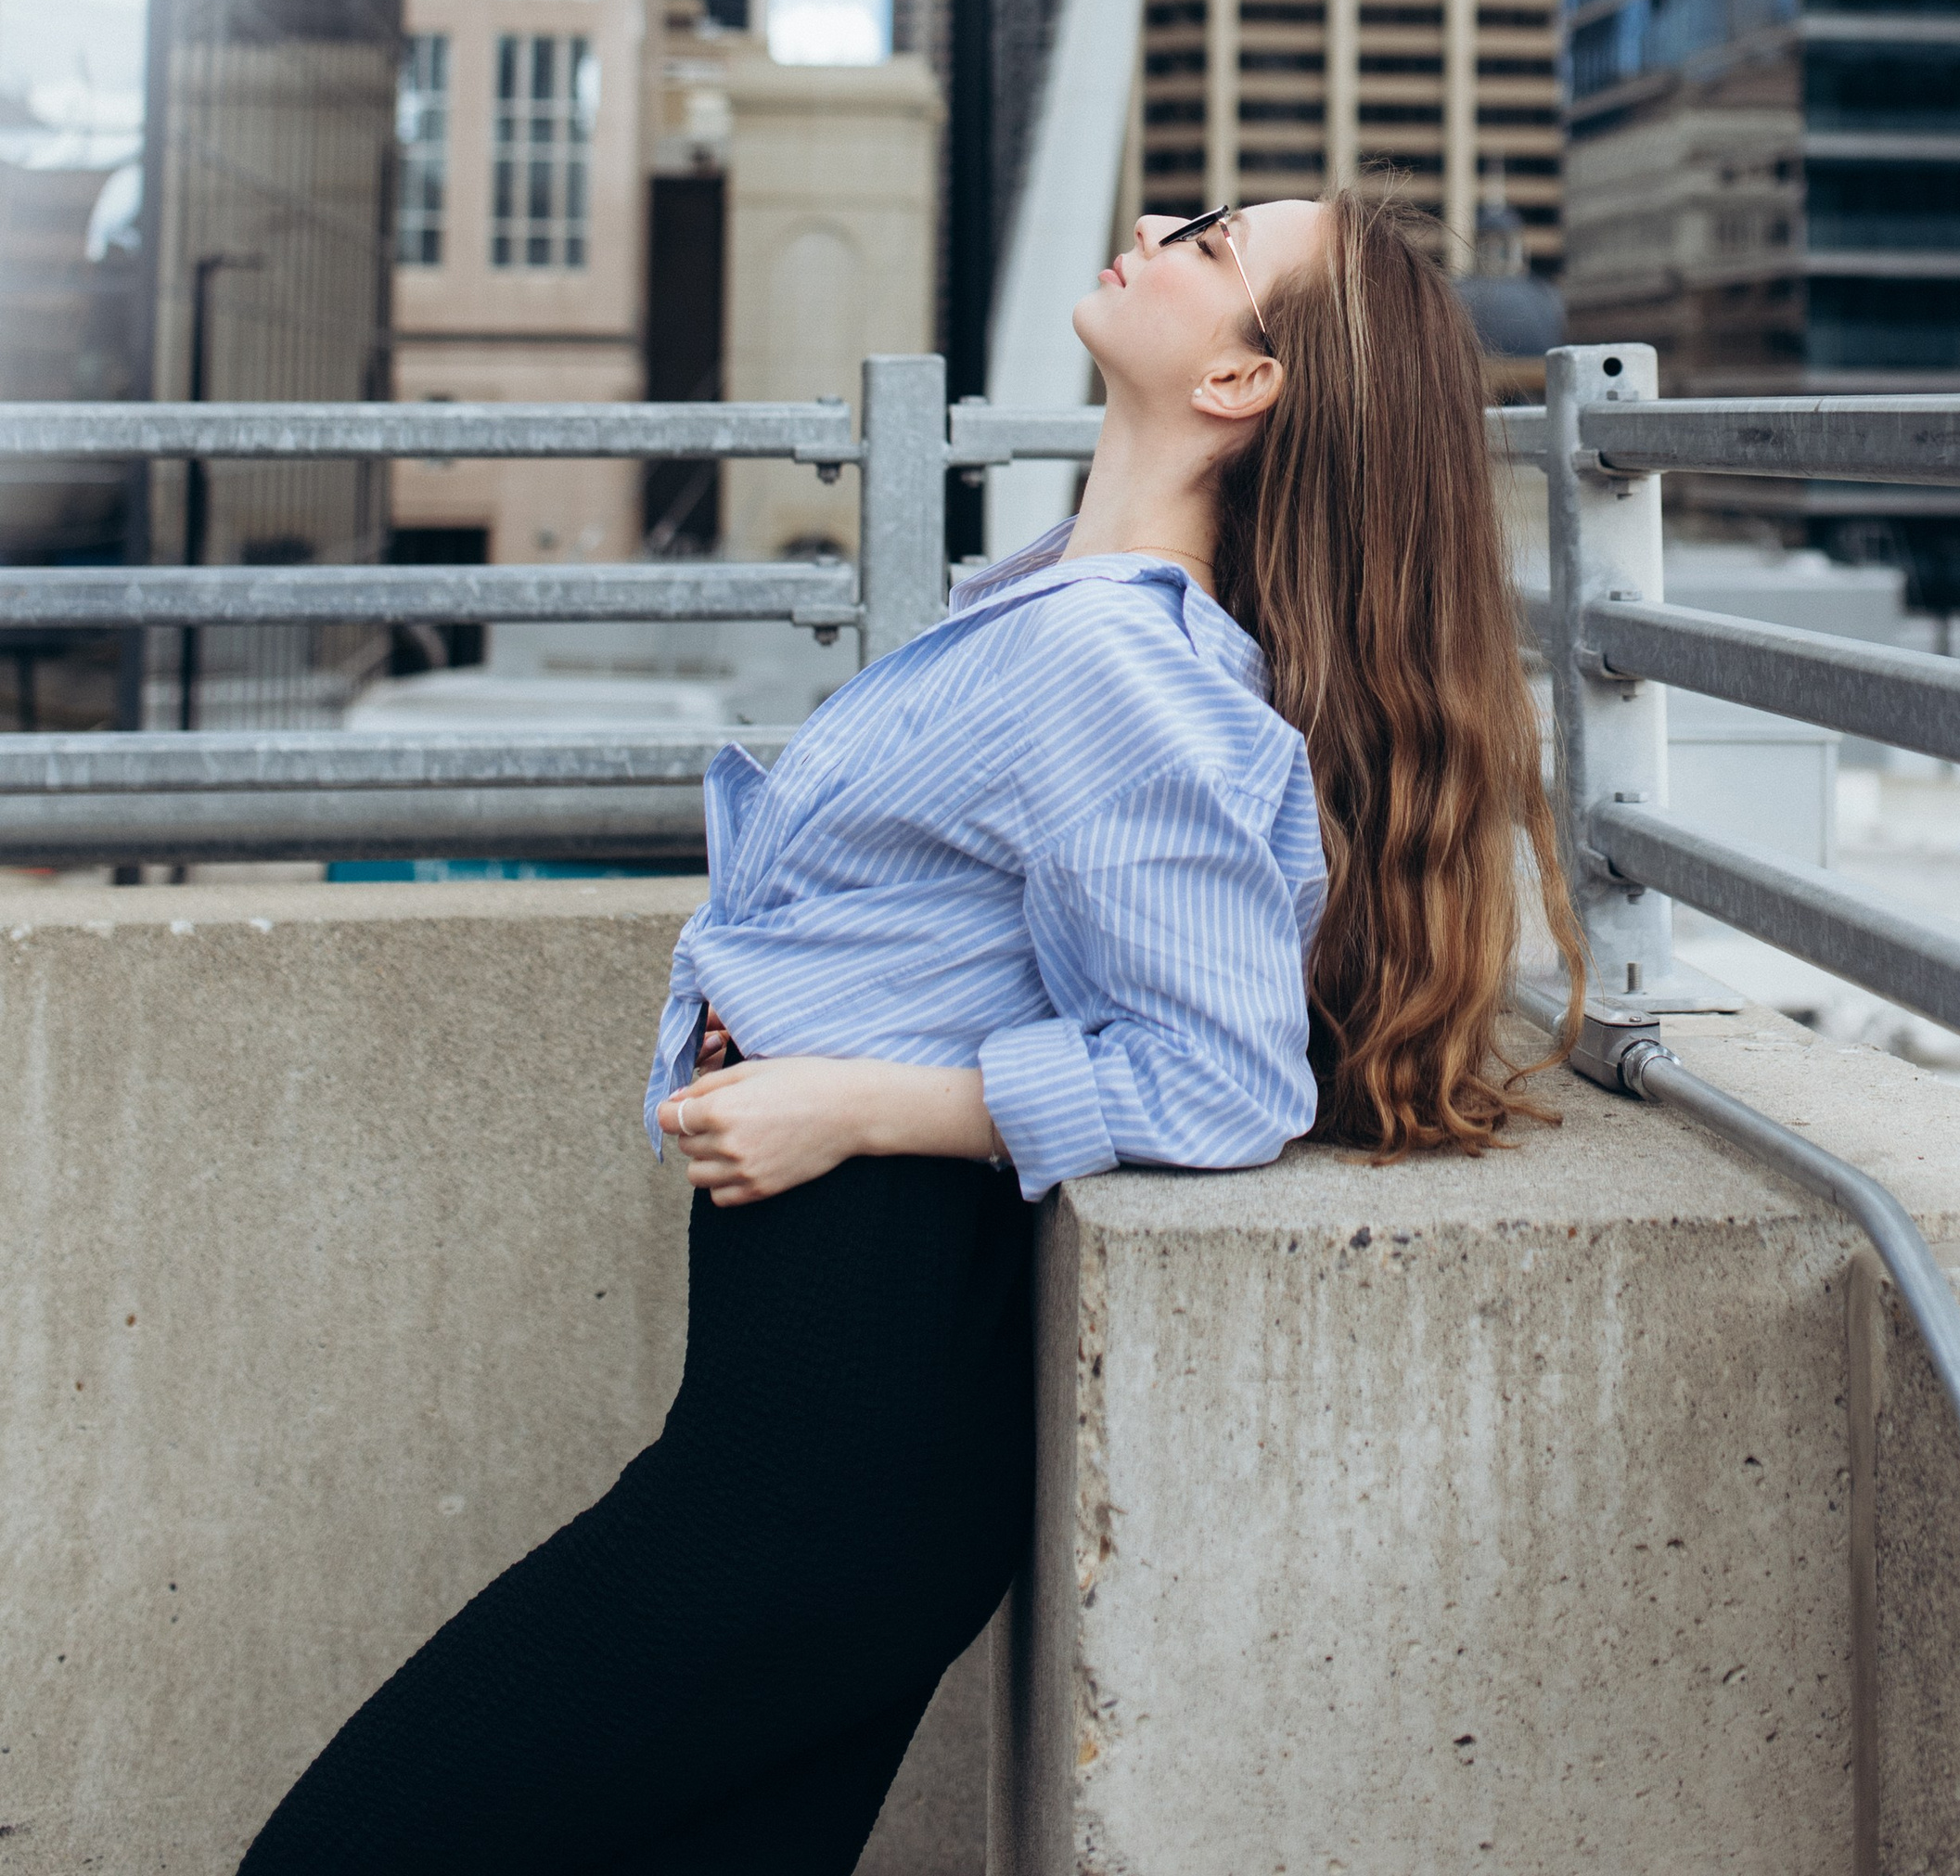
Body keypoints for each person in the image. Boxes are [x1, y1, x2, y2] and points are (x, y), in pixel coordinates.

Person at [242, 183, 1585, 1875]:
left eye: (1212, 242)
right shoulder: (1055, 603)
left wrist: (855, 1104)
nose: (1158, 220)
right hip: (826, 1444)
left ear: (1243, 382)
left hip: (832, 1461)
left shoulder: (1117, 667)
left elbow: (1221, 1076)